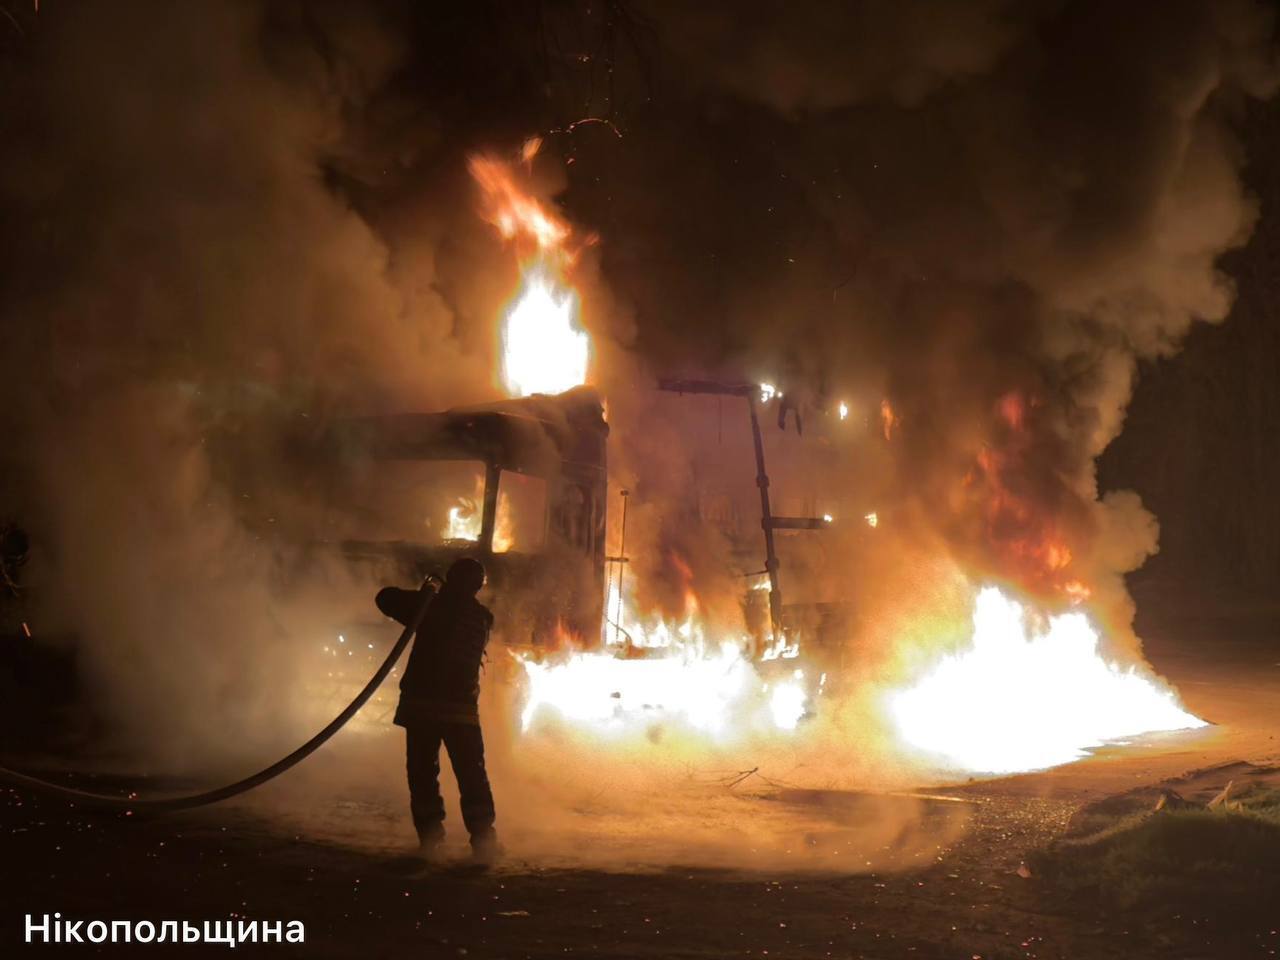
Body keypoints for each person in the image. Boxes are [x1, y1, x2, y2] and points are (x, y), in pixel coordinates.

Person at [375, 557, 497, 862]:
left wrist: (428, 590)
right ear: (478, 587)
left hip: (423, 709)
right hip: (462, 711)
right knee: (472, 775)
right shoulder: (483, 617)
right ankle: (483, 840)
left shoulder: (431, 607)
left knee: (422, 773)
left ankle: (431, 839)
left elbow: (385, 598)